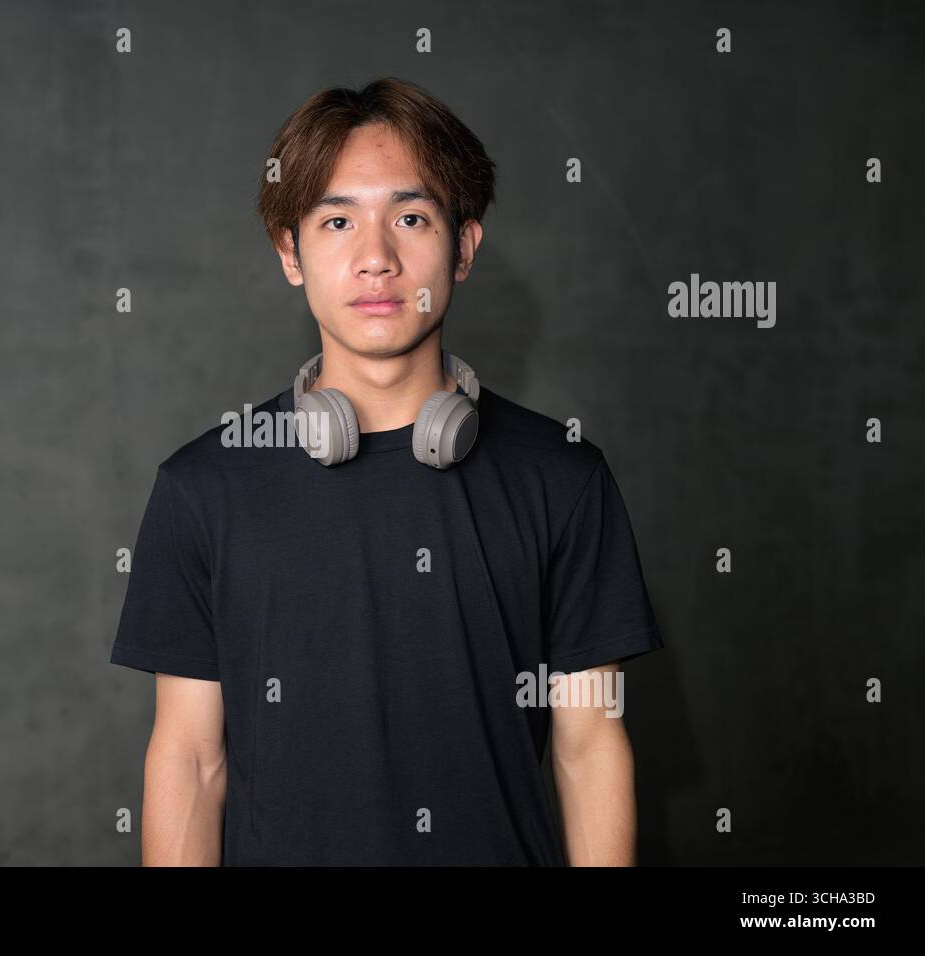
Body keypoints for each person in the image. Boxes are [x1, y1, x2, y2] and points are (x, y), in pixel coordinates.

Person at [110, 76, 664, 866]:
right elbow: (192, 762)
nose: (376, 258)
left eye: (410, 217)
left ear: (464, 247)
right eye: (337, 221)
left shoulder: (563, 478)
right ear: (290, 253)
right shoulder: (203, 489)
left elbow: (589, 745)